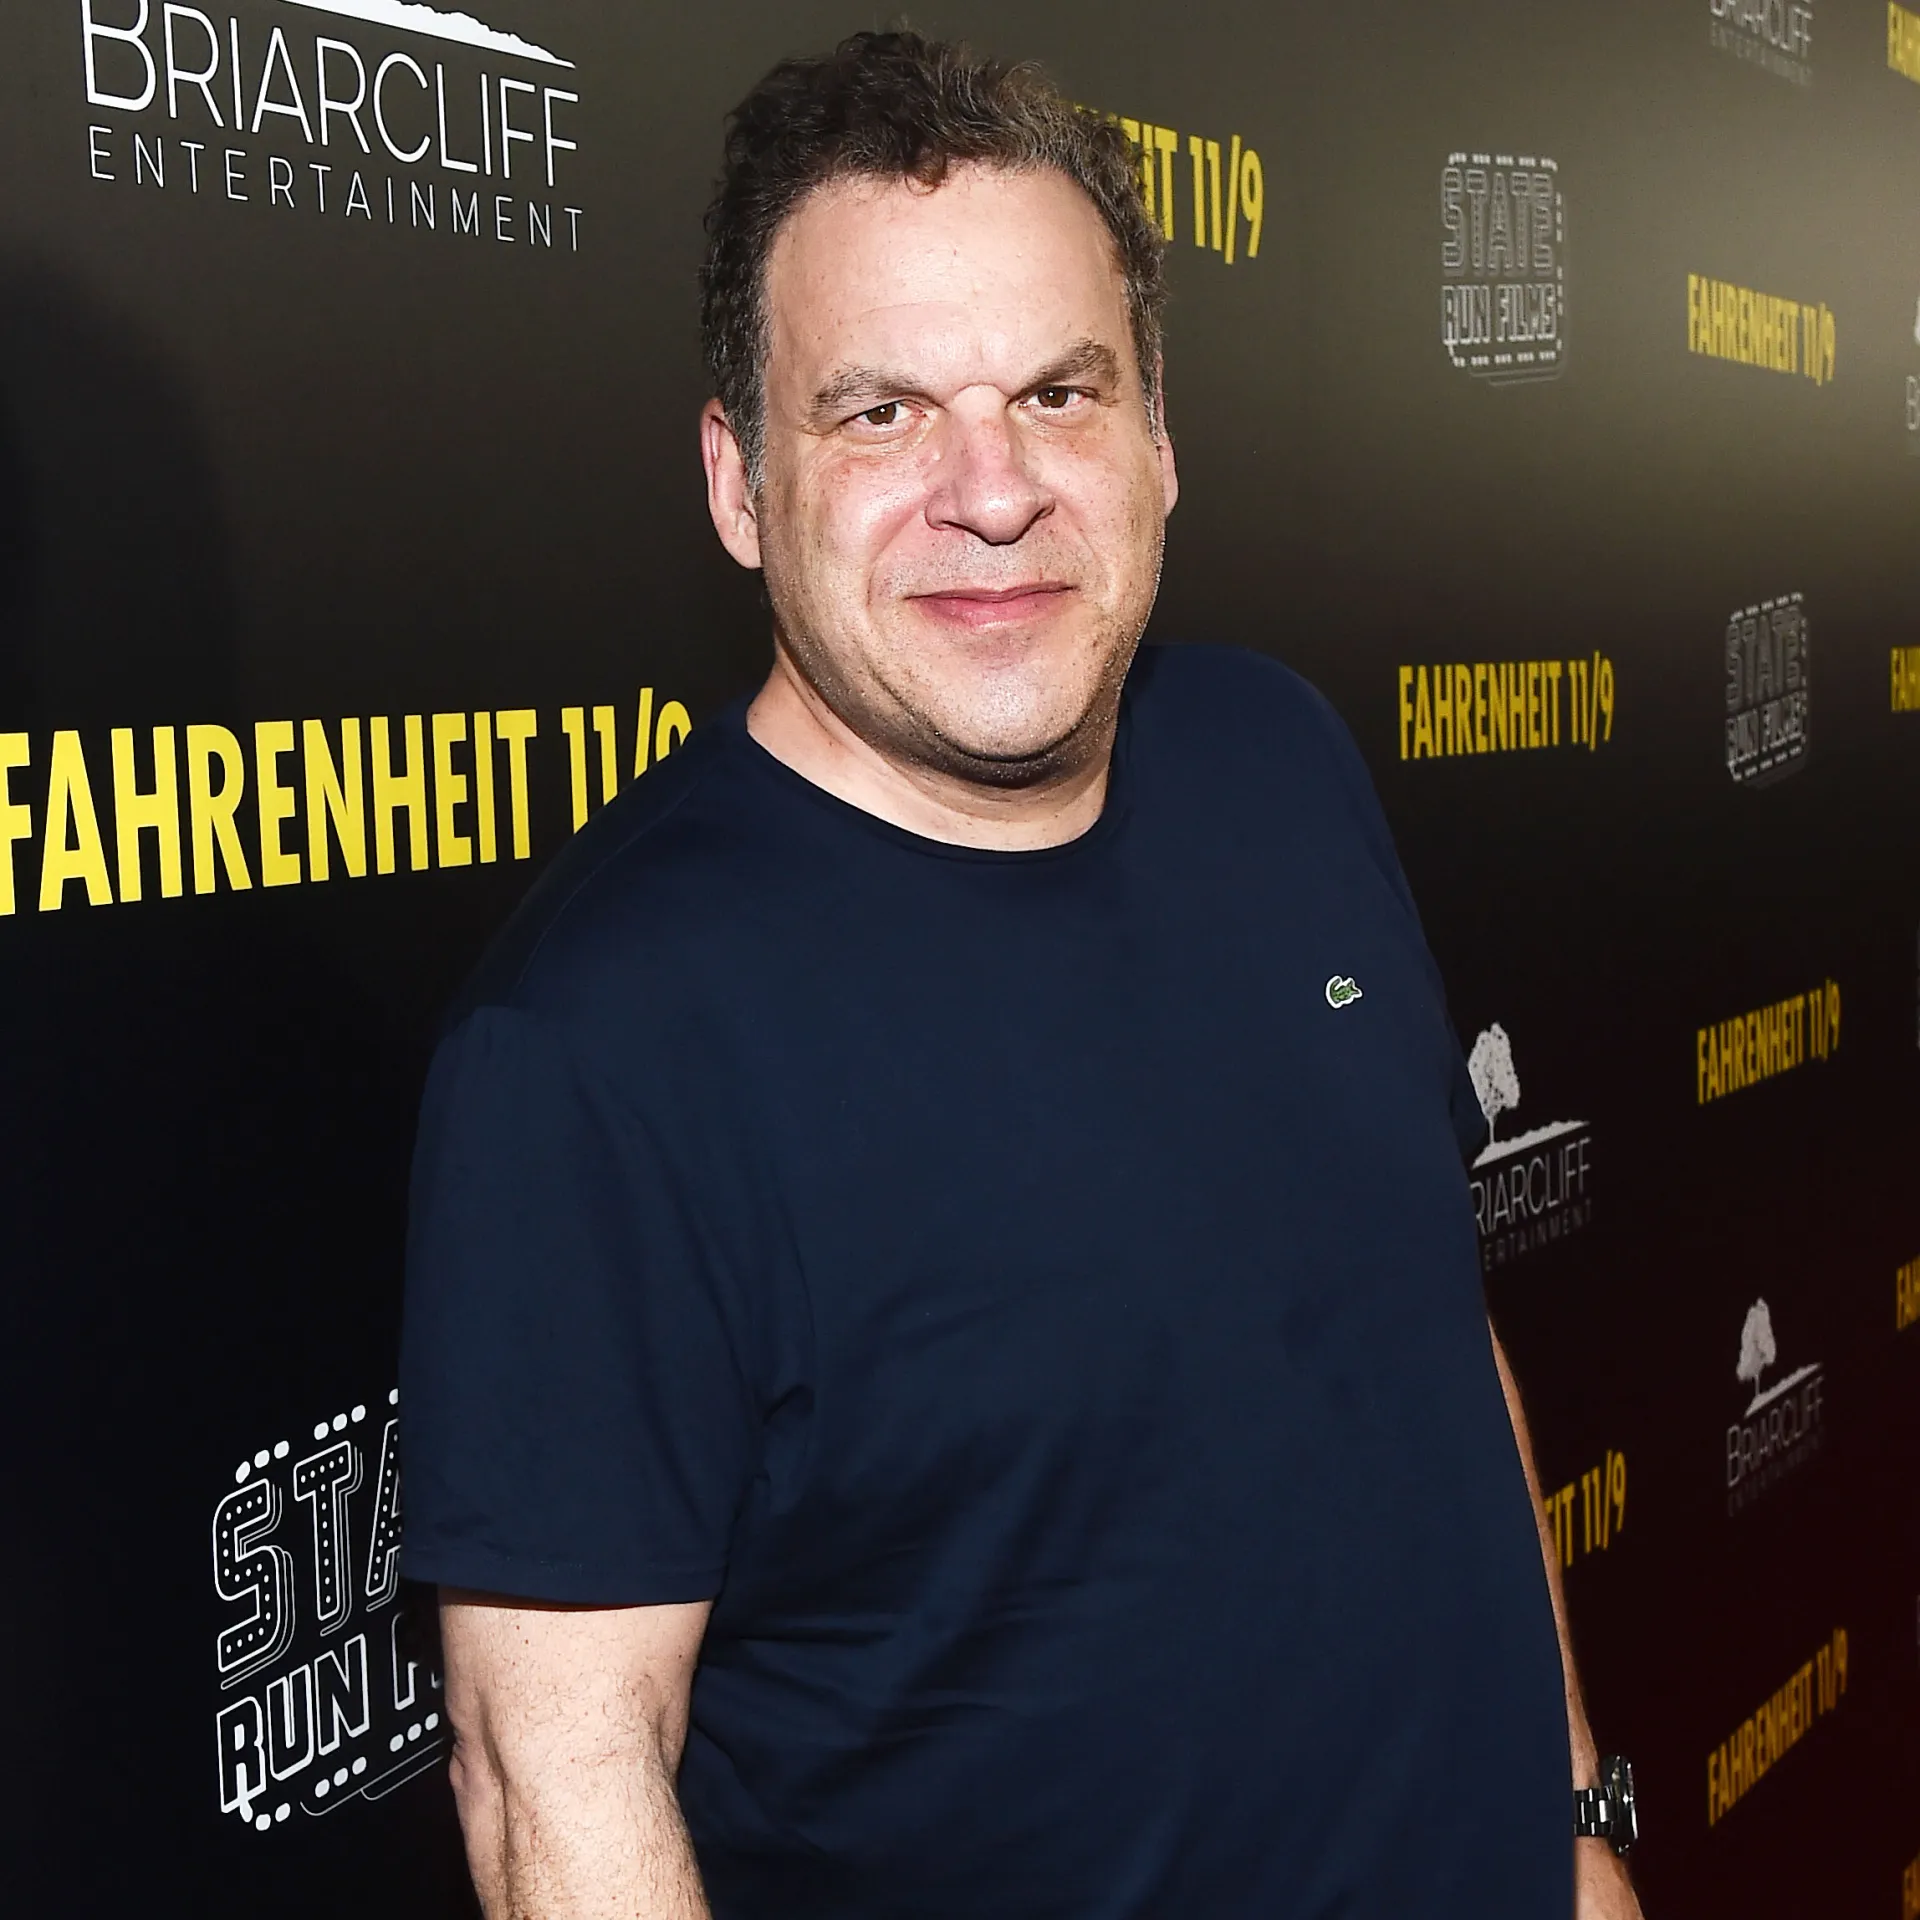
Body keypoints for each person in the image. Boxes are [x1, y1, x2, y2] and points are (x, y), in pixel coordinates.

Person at [400, 31, 1645, 1920]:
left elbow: (1432, 1335)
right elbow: (557, 1779)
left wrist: (1577, 1820)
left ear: (1159, 442)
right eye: (881, 414)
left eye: (1059, 393)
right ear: (738, 481)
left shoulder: (1278, 758)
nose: (993, 492)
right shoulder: (599, 1044)